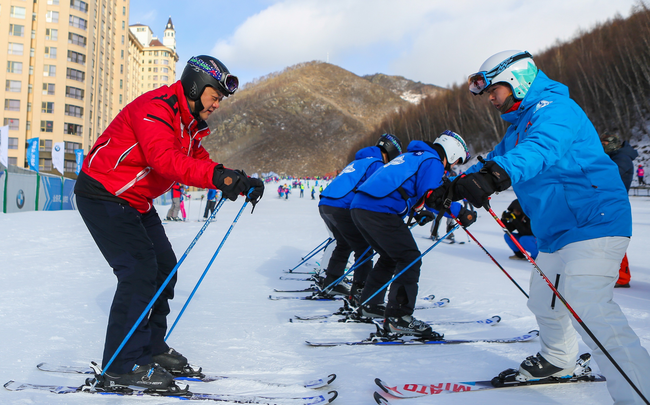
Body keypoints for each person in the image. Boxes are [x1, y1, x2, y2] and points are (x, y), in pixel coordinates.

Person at [457, 50, 650, 403]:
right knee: (545, 301)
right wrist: (451, 186)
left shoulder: (555, 109)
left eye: (492, 90)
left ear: (515, 78)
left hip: (594, 221)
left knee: (589, 309)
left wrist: (495, 176)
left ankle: (641, 392)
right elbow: (494, 160)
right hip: (556, 231)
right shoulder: (519, 128)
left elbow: (540, 149)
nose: (490, 99)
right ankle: (558, 360)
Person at [74, 55, 265, 392]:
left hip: (134, 200)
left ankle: (149, 347)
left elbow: (198, 161)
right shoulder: (157, 108)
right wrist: (218, 178)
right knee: (137, 271)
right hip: (103, 192)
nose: (216, 105)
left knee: (164, 268)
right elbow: (165, 160)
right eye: (214, 96)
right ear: (195, 86)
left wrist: (238, 179)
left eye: (219, 99)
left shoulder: (187, 123)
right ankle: (121, 364)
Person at [350, 131, 477, 336]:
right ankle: (399, 317)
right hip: (379, 210)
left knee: (391, 258)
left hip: (361, 207)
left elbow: (412, 191)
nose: (452, 166)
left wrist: (418, 211)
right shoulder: (433, 161)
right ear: (452, 152)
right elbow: (433, 196)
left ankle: (369, 304)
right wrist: (460, 212)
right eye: (457, 161)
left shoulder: (412, 156)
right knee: (410, 258)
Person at [318, 134, 403, 297]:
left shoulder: (358, 161)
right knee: (364, 247)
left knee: (344, 244)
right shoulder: (377, 164)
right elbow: (378, 189)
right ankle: (360, 287)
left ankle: (332, 281)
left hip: (326, 205)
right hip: (341, 206)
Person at [600, 132, 637, 288]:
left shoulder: (621, 158)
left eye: (605, 145)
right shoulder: (616, 157)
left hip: (615, 205)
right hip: (609, 203)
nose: (602, 148)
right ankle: (614, 274)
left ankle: (622, 277)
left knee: (615, 239)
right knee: (607, 239)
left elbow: (607, 177)